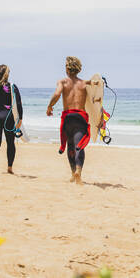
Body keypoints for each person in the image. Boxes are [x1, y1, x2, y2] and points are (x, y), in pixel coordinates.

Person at [46, 56, 97, 184]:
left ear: (67, 69)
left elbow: (57, 94)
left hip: (68, 118)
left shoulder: (62, 82)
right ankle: (78, 171)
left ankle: (72, 172)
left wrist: (50, 106)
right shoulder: (85, 83)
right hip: (80, 118)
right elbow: (96, 100)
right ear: (78, 69)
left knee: (70, 146)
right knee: (79, 146)